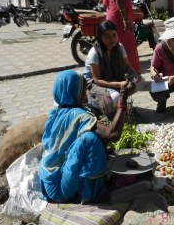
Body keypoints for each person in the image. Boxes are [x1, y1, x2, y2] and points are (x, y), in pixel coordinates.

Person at [39, 69, 134, 203]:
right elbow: (112, 134)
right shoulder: (78, 115)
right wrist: (122, 99)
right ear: (75, 92)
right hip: (60, 190)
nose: (87, 93)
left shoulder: (56, 112)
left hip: (47, 180)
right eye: (84, 89)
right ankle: (92, 194)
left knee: (91, 138)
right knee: (90, 139)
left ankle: (84, 185)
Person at [83, 20, 140, 117]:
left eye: (114, 35)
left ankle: (118, 105)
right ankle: (93, 103)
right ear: (100, 37)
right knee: (115, 97)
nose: (112, 40)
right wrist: (119, 84)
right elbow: (97, 80)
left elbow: (127, 66)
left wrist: (135, 75)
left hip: (114, 79)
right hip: (93, 84)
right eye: (107, 37)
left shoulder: (120, 47)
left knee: (140, 82)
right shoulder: (94, 53)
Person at [101, 0, 141, 75]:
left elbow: (103, 0)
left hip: (111, 14)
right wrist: (125, 20)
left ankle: (114, 71)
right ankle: (131, 72)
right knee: (127, 45)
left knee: (112, 44)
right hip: (120, 16)